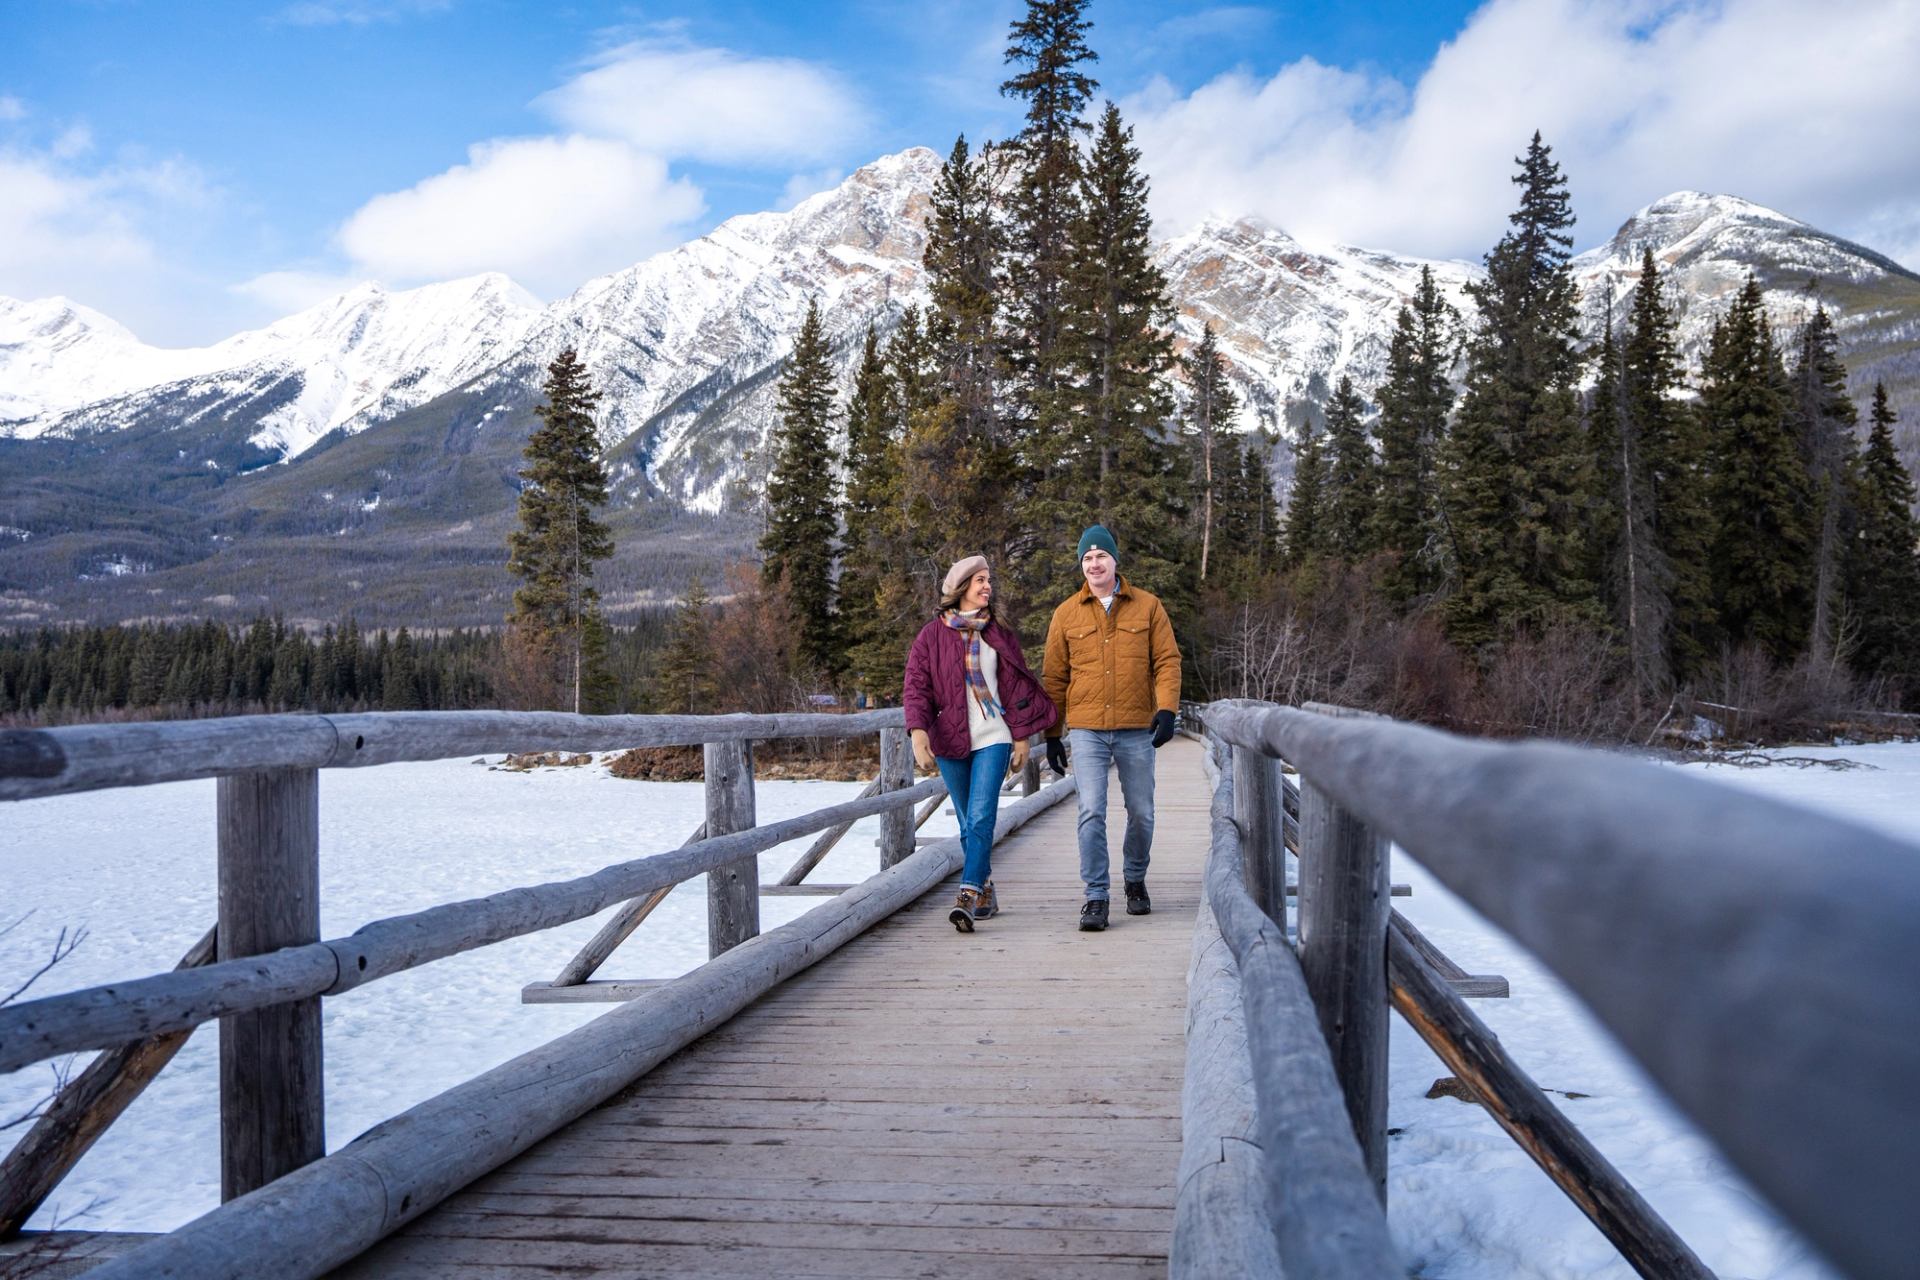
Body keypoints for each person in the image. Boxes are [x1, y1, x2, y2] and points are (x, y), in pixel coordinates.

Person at [903, 555, 1058, 933]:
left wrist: (1021, 738)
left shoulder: (998, 633)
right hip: (950, 737)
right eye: (979, 581)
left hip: (994, 735)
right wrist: (919, 734)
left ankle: (968, 894)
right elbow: (916, 687)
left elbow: (1017, 688)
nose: (987, 586)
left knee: (981, 816)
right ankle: (986, 889)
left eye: (989, 580)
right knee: (966, 822)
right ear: (961, 588)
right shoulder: (931, 636)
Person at [1041, 525, 1181, 932]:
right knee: (1090, 811)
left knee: (1142, 812)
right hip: (1086, 730)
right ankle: (1096, 896)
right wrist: (1053, 733)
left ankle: (1134, 878)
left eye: (1101, 556)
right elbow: (1054, 678)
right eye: (1087, 558)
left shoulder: (1148, 607)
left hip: (1137, 728)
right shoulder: (1066, 613)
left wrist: (1168, 709)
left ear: (1115, 561)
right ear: (1081, 565)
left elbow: (1167, 661)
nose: (1094, 563)